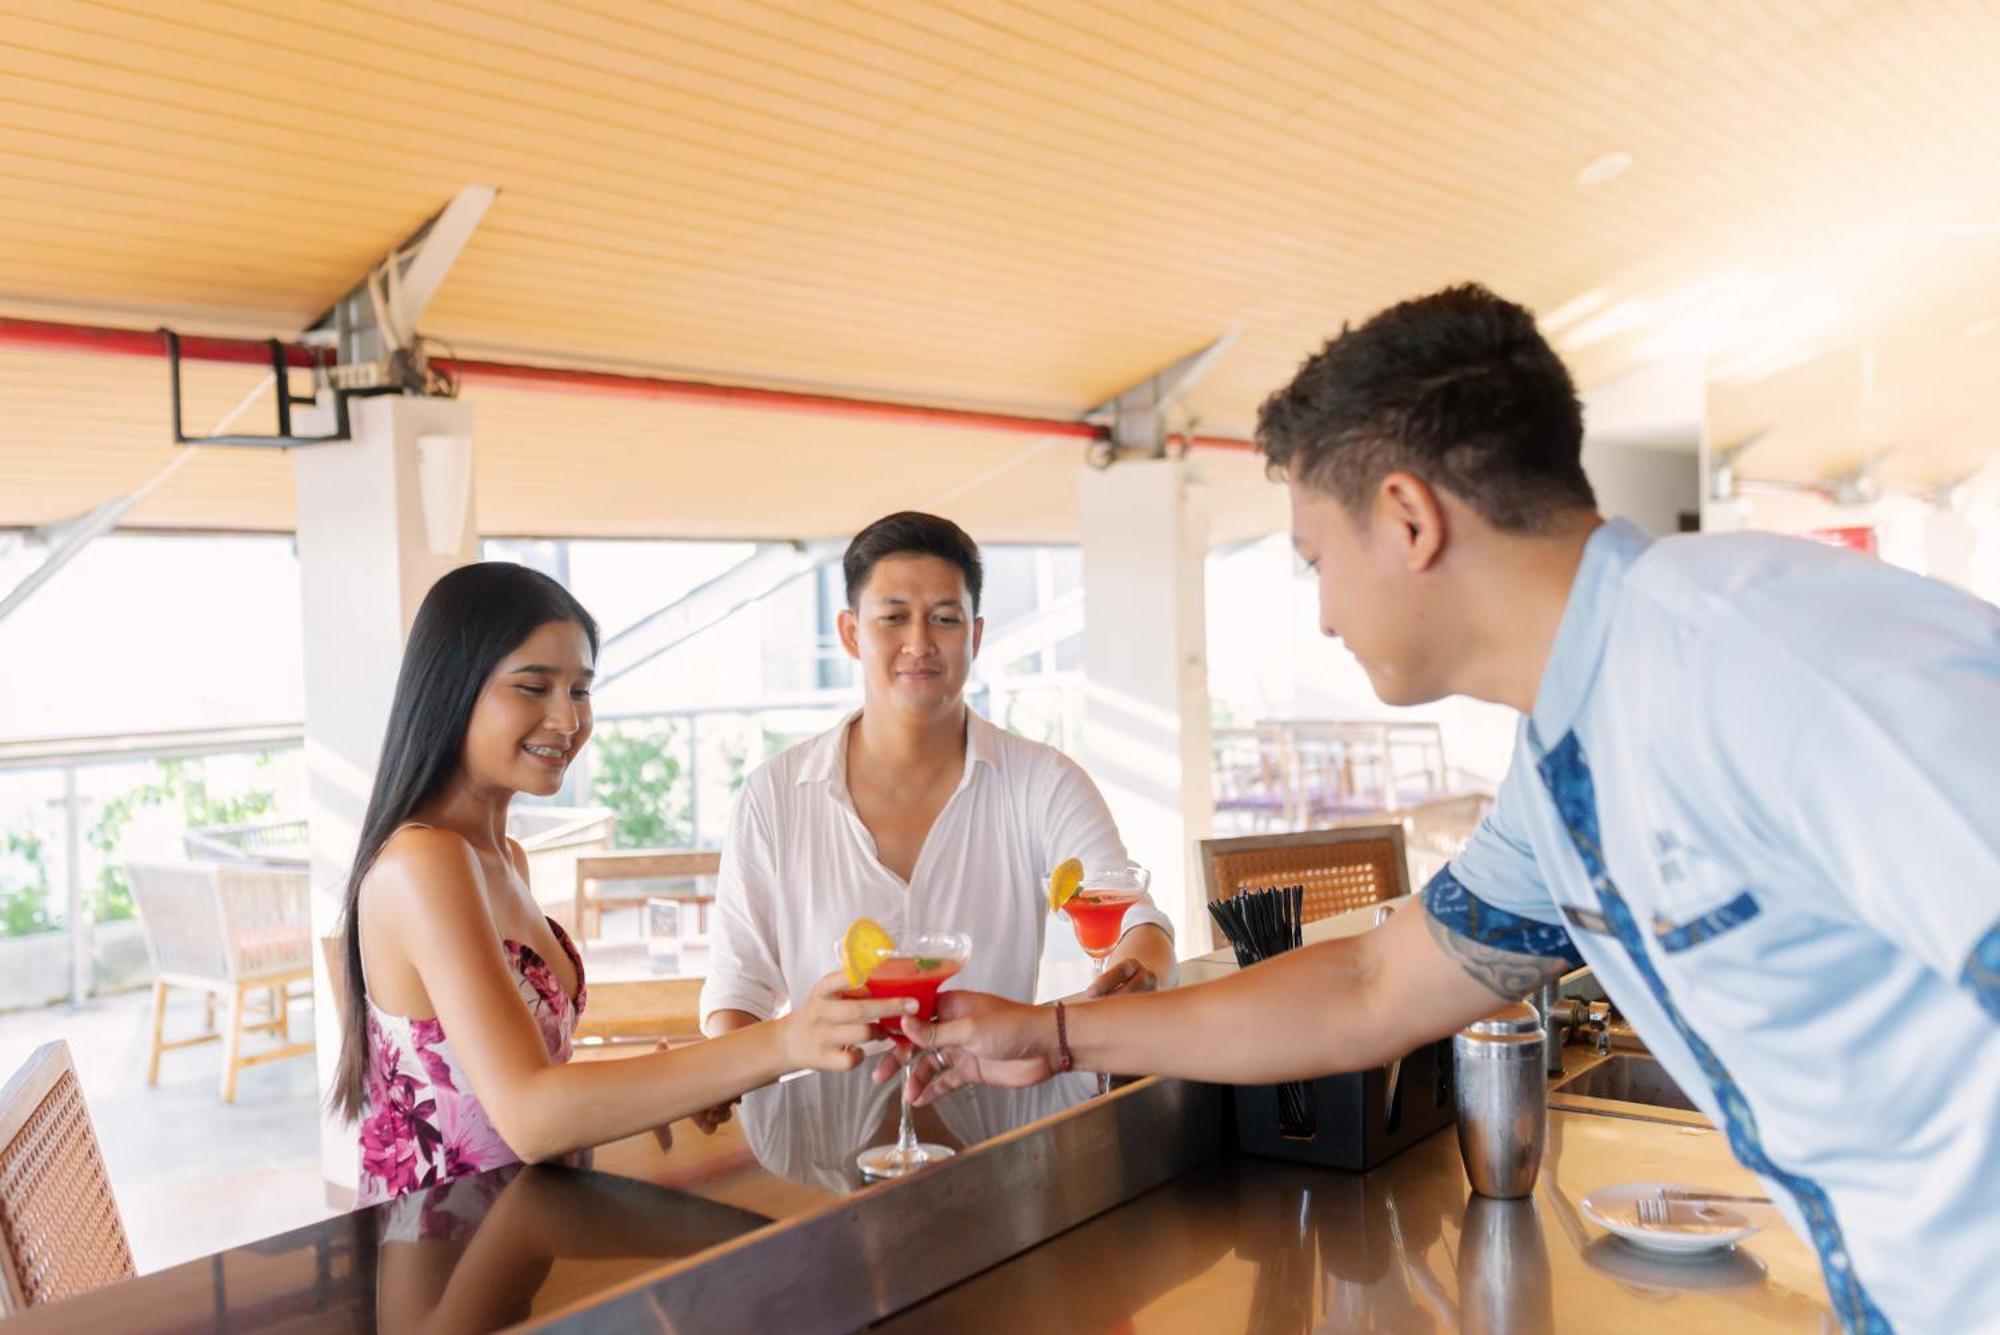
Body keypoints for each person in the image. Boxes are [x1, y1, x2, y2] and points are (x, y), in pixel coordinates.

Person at [902, 285, 2000, 1332]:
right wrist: (1048, 1033)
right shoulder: (1566, 765)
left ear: (1407, 519)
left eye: (1317, 560)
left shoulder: (1765, 661)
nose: (1324, 613)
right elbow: (1370, 985)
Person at [331, 562, 914, 1205]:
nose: (565, 719)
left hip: (520, 1224)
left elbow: (506, 1081)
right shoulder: (424, 862)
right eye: (532, 686)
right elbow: (529, 1116)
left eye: (580, 690)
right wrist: (781, 1040)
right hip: (440, 1250)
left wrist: (671, 1083)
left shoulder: (504, 857)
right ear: (451, 689)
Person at [700, 511, 1175, 1038]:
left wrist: (1141, 973)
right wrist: (724, 1076)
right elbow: (738, 988)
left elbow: (1132, 917)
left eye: (945, 619)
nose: (920, 643)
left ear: (974, 637)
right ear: (852, 633)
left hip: (999, 1114)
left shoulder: (1044, 783)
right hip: (823, 1116)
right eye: (894, 617)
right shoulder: (775, 795)